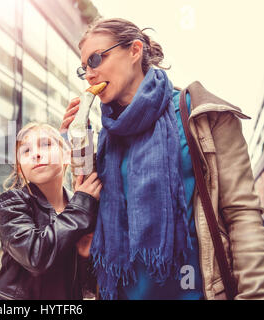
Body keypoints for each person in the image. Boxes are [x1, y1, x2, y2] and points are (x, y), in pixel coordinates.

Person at [60, 18, 264, 300]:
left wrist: (253, 295)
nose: (90, 75)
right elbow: (87, 205)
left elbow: (242, 214)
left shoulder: (200, 115)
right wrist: (75, 138)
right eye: (84, 68)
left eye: (96, 59)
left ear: (134, 50)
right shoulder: (107, 135)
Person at [0, 122, 100, 300]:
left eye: (46, 144)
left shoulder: (80, 205)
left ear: (66, 156)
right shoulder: (12, 202)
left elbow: (88, 289)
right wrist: (81, 206)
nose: (36, 154)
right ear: (20, 168)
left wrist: (83, 256)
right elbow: (36, 256)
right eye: (26, 151)